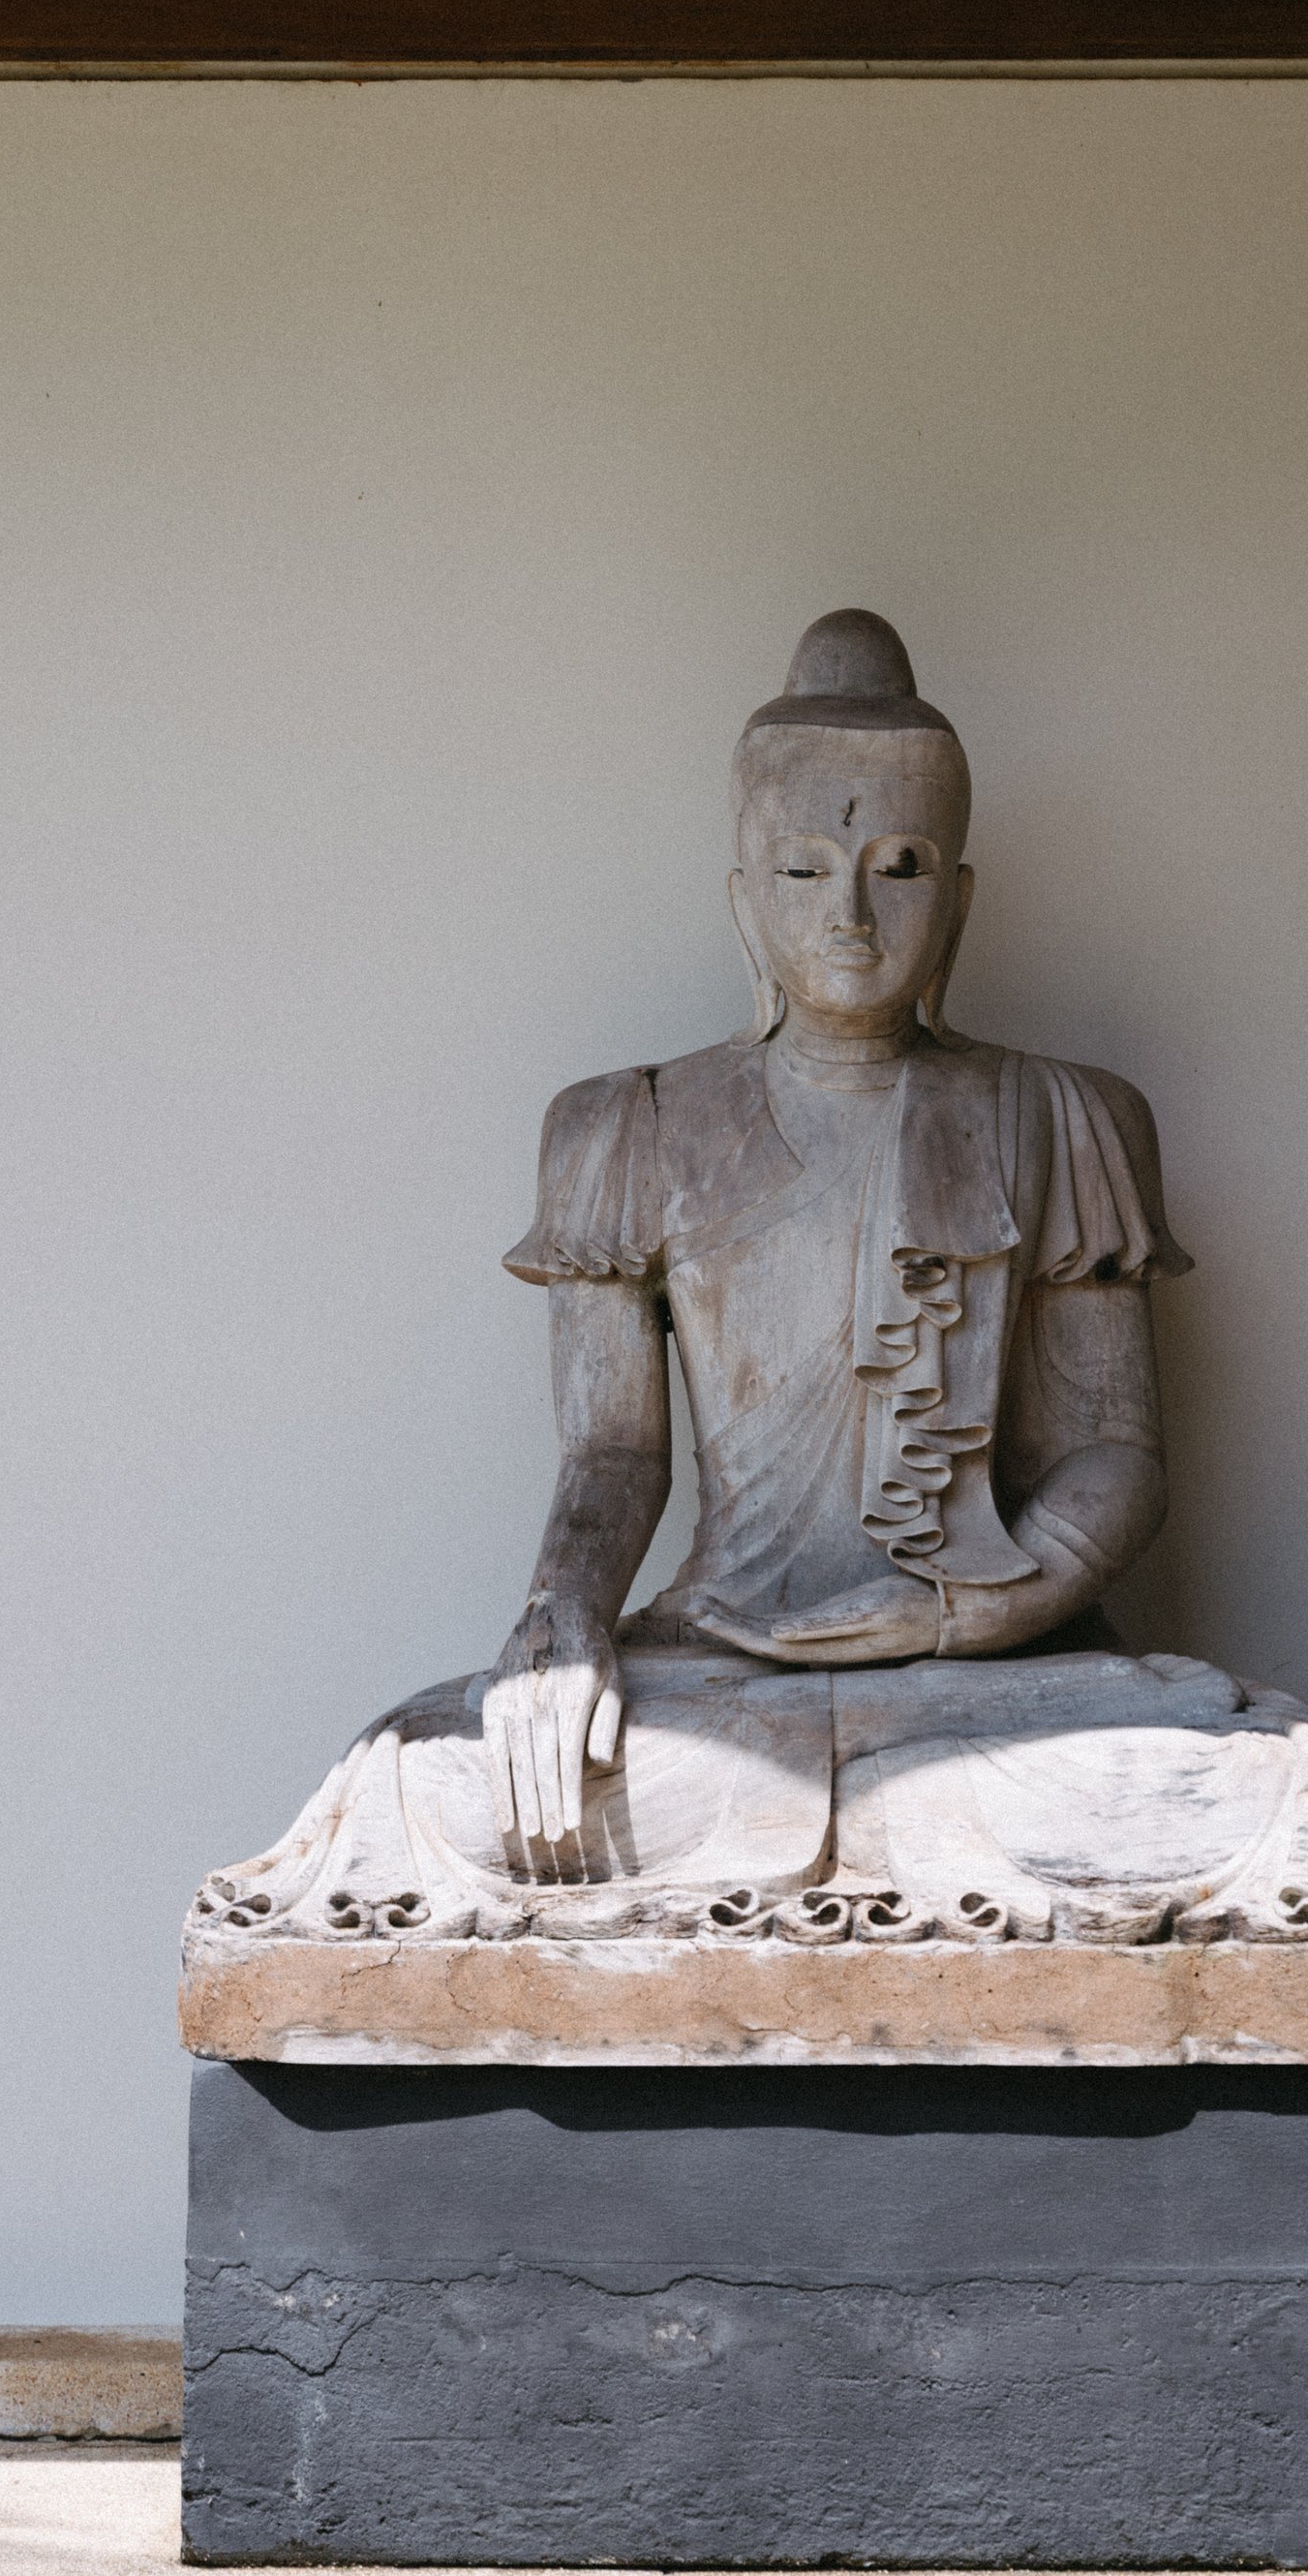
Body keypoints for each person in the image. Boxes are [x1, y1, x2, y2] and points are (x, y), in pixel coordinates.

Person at [481, 609, 1191, 1863]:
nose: (852, 915)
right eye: (805, 869)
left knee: (1197, 1785)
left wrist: (968, 1609)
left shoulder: (1067, 1116)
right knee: (467, 1795)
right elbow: (611, 1450)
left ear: (959, 901)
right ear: (745, 902)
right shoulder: (626, 1129)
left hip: (987, 1676)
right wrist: (561, 1621)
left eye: (901, 866)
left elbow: (1114, 1449)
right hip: (722, 1665)